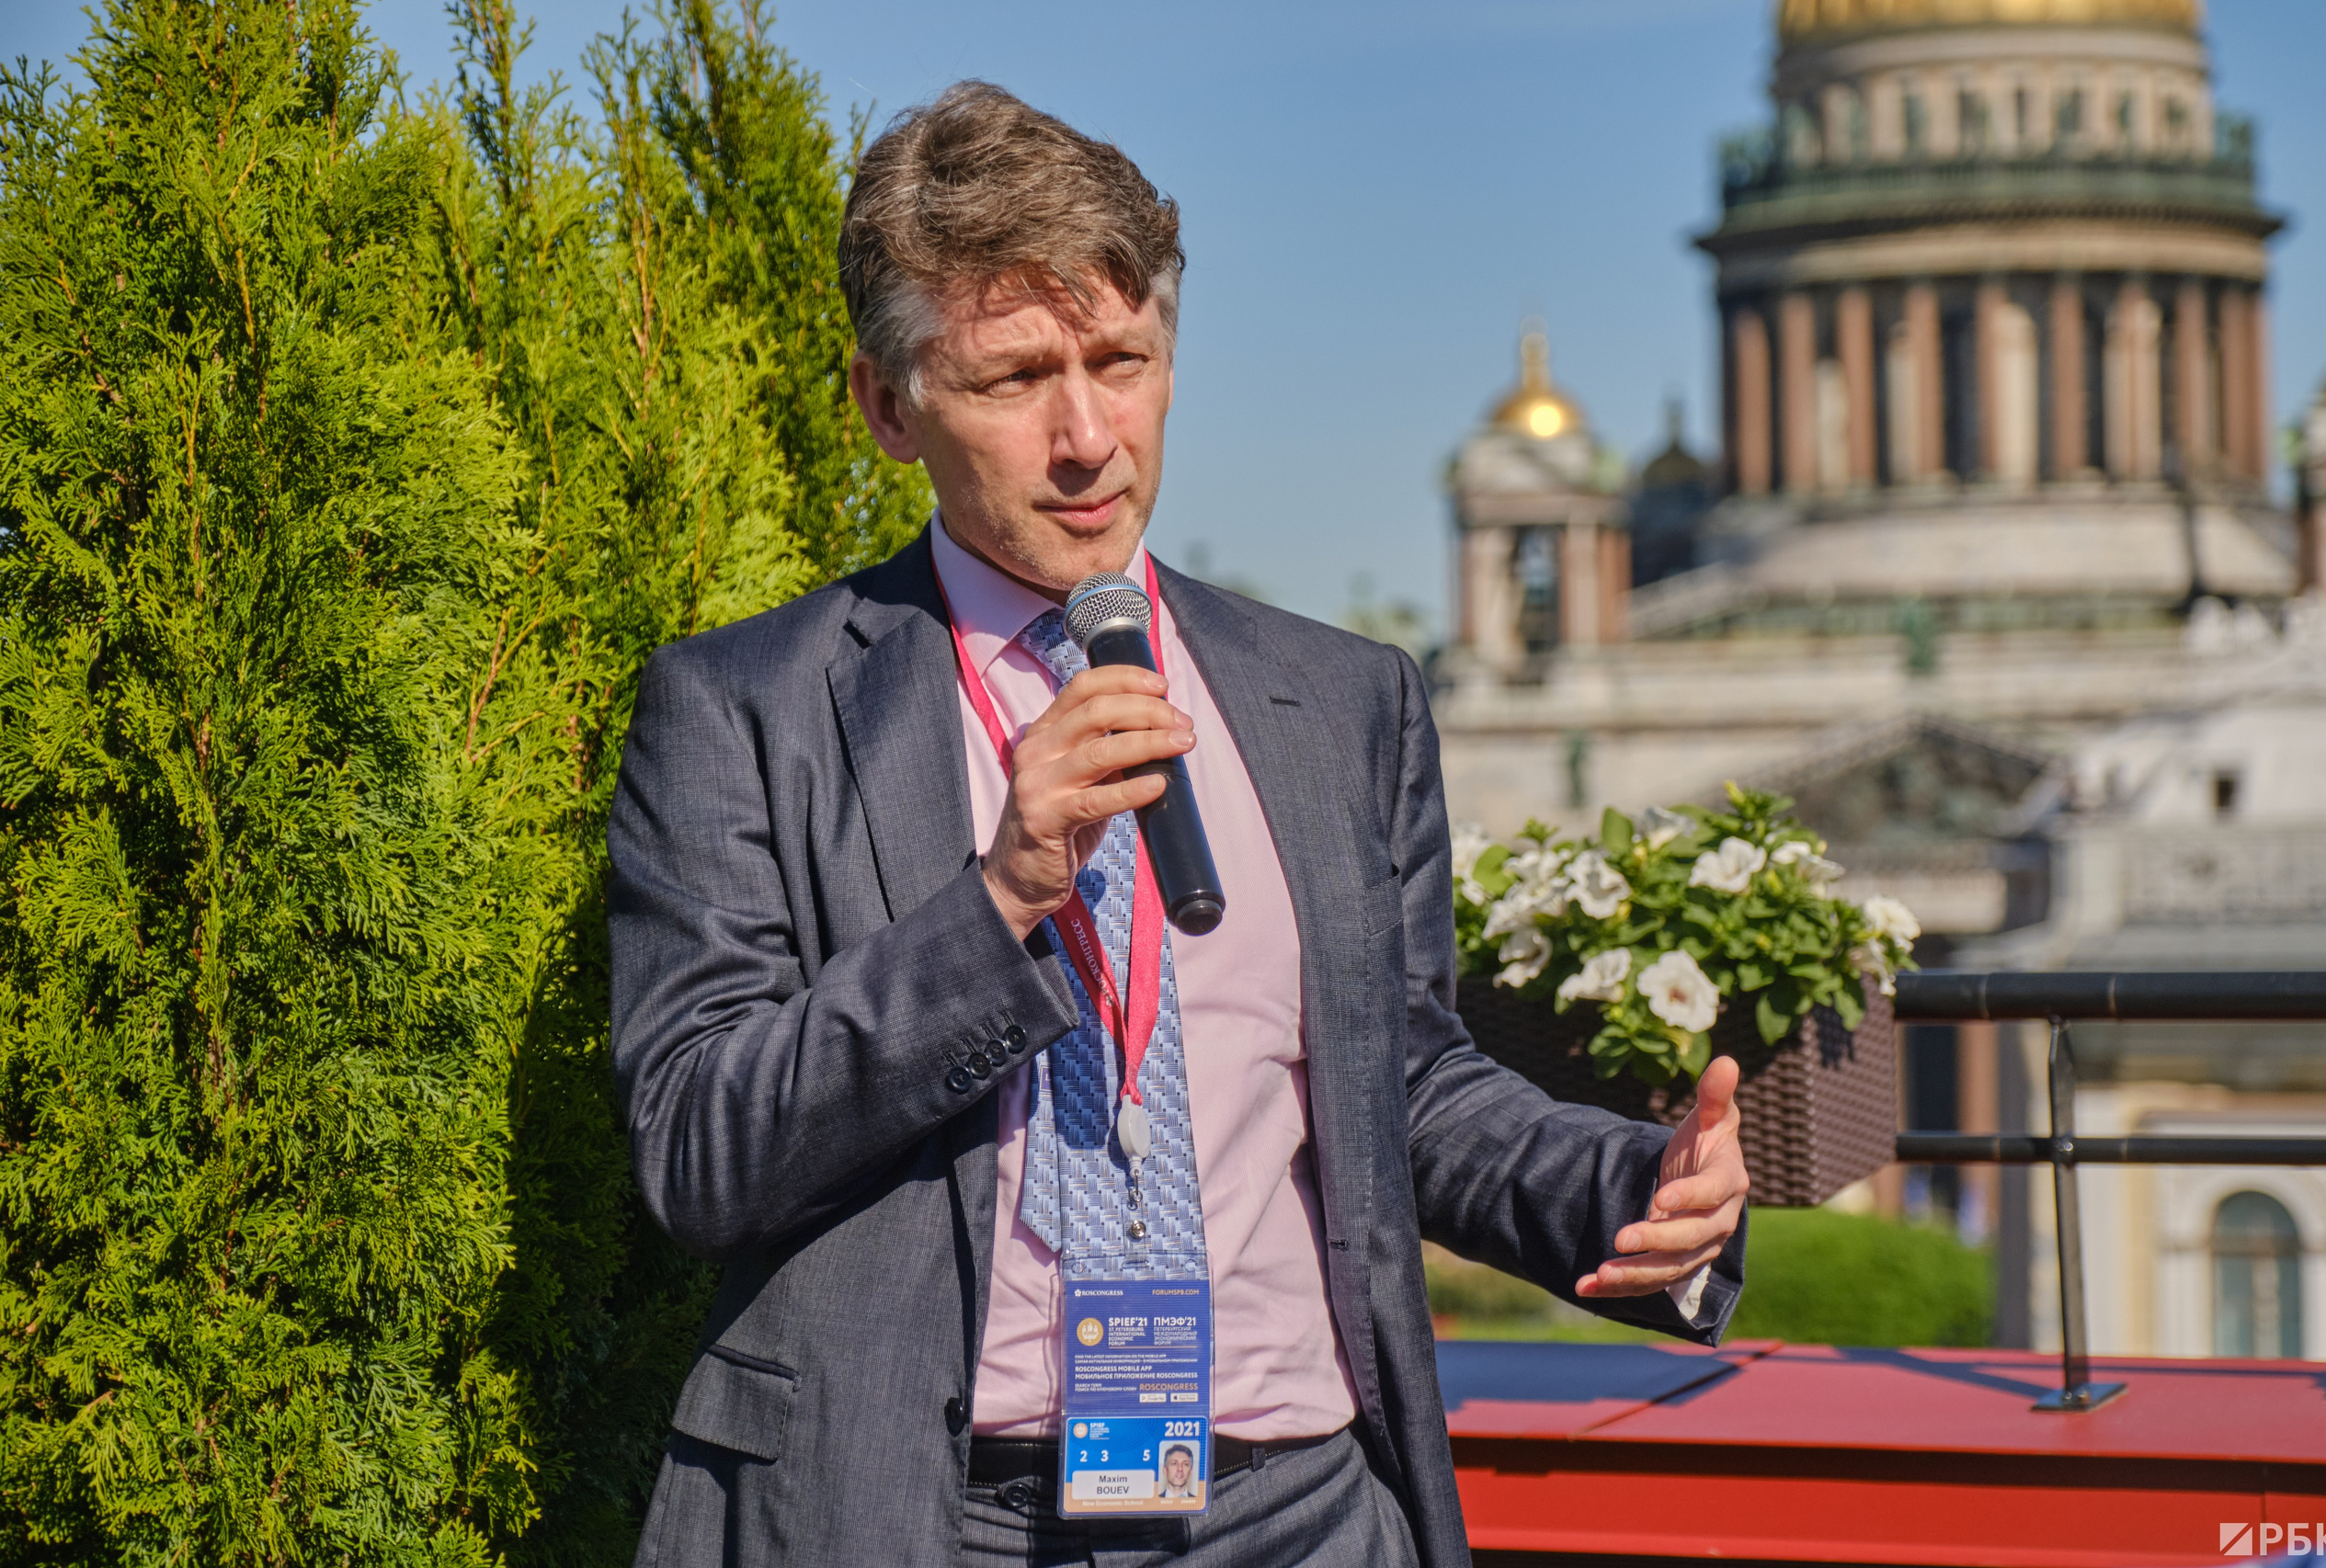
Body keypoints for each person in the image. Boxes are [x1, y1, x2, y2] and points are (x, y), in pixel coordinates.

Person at [608, 81, 1750, 1568]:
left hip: (1296, 1509)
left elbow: (1402, 1083)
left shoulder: (1340, 700)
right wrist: (997, 902)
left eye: (1121, 361)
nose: (1088, 436)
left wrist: (1628, 1186)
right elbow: (699, 1147)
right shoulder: (747, 708)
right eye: (1017, 377)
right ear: (888, 406)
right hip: (924, 1516)